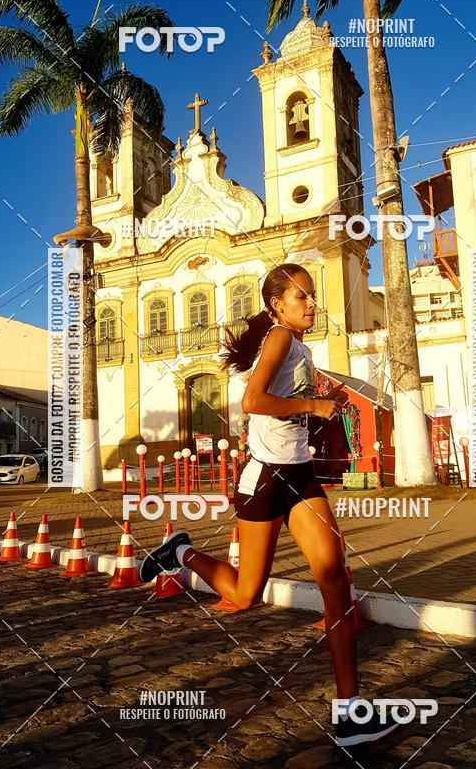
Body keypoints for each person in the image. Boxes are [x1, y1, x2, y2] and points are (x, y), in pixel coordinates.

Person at [139, 263, 402, 746]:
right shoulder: (280, 337)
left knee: (336, 581)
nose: (311, 303)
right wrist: (312, 407)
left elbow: (283, 401)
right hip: (264, 478)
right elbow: (253, 401)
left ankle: (349, 711)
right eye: (301, 296)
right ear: (277, 305)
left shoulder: (297, 345)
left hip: (298, 474)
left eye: (312, 295)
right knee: (244, 595)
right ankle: (182, 553)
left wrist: (324, 410)